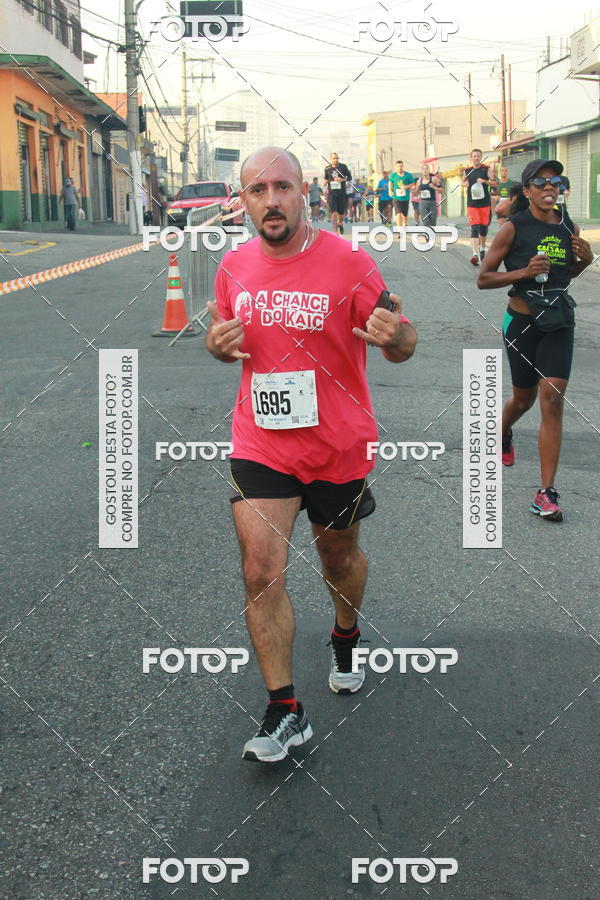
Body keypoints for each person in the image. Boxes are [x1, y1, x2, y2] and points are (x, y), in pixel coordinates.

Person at [205, 146, 417, 763]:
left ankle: (345, 633)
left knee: (338, 556)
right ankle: (284, 710)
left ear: (304, 193)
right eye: (256, 190)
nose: (270, 201)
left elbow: (402, 340)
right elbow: (226, 339)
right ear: (242, 200)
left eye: (281, 187)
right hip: (261, 442)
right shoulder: (233, 266)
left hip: (337, 445)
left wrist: (396, 335)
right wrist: (216, 347)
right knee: (259, 568)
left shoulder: (350, 262)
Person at [477, 159, 592, 522]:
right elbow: (483, 278)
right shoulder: (513, 228)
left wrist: (584, 262)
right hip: (522, 322)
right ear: (527, 191)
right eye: (540, 183)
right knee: (523, 398)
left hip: (558, 321)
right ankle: (503, 430)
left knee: (552, 399)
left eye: (555, 182)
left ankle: (546, 492)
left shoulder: (567, 226)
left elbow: (564, 275)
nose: (549, 188)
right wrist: (525, 271)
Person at [462, 149, 493, 266]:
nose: (476, 158)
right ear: (471, 158)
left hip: (485, 204)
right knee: (474, 228)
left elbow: (495, 183)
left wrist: (485, 181)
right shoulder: (467, 171)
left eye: (478, 156)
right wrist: (465, 184)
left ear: (481, 157)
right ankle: (475, 254)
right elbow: (462, 182)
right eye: (474, 156)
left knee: (483, 230)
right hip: (472, 205)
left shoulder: (487, 169)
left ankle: (482, 249)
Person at [324, 152, 352, 235]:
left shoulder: (343, 167)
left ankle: (340, 223)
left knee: (341, 214)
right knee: (334, 213)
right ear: (331, 159)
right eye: (334, 158)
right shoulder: (327, 168)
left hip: (342, 193)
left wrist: (342, 179)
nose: (335, 160)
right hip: (332, 194)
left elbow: (349, 178)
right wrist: (325, 182)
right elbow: (326, 178)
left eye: (337, 158)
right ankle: (336, 231)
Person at [414, 163, 442, 228]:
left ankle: (431, 236)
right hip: (423, 203)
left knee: (433, 223)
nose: (425, 170)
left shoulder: (434, 179)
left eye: (426, 169)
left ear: (429, 171)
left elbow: (442, 190)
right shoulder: (419, 181)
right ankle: (428, 236)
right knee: (425, 221)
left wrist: (435, 188)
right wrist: (414, 191)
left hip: (432, 203)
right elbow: (416, 193)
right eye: (423, 169)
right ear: (421, 171)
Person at [388, 160, 415, 228]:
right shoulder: (393, 175)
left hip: (405, 198)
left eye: (401, 166)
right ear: (396, 167)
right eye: (398, 166)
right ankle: (400, 230)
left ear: (403, 166)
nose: (400, 167)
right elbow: (390, 182)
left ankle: (404, 224)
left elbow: (413, 184)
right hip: (396, 198)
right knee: (398, 214)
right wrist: (390, 190)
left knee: (404, 216)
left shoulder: (408, 175)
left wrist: (406, 186)